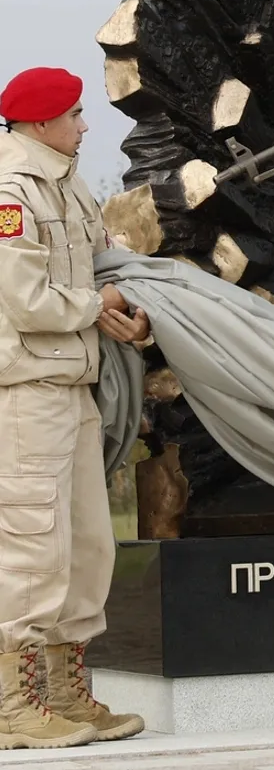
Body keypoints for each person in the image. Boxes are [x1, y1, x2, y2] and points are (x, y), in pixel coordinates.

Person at [0, 68, 148, 748]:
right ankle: (13, 706)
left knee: (88, 545)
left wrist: (129, 308)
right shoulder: (11, 191)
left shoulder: (66, 182)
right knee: (32, 549)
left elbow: (98, 264)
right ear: (39, 122)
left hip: (73, 385)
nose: (85, 126)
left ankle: (64, 692)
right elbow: (28, 302)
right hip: (26, 392)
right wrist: (100, 306)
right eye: (75, 115)